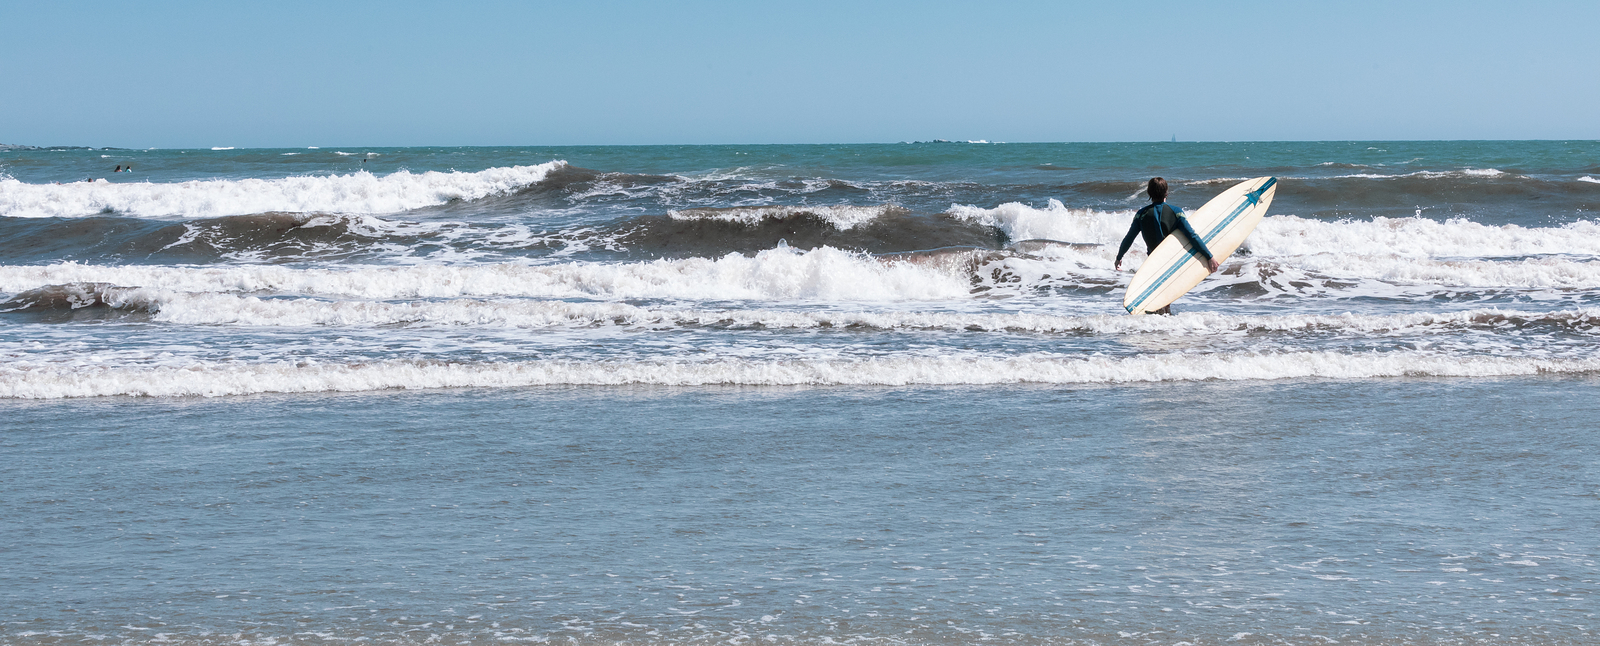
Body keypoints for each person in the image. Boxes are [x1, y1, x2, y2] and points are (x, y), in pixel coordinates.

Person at [1114, 177, 1219, 315]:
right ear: (1167, 193)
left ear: (1149, 193)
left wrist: (1119, 257)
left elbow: (1129, 238)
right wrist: (1209, 256)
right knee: (1166, 302)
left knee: (1157, 300)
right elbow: (1192, 236)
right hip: (1172, 263)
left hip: (1152, 262)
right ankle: (1166, 329)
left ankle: (1158, 329)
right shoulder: (1176, 212)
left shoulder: (1141, 214)